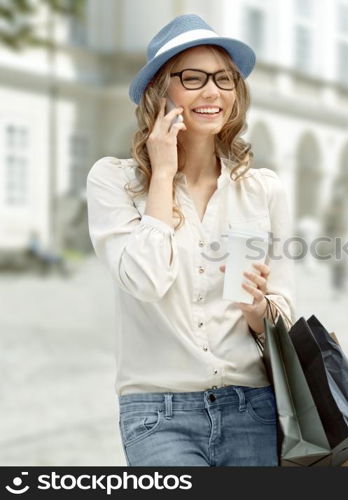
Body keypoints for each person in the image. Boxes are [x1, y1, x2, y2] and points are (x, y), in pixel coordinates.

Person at [86, 14, 295, 466]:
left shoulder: (262, 190)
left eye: (224, 79)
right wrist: (162, 174)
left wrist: (261, 310)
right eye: (193, 78)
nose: (212, 91)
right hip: (157, 414)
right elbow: (143, 281)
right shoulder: (114, 182)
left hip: (251, 408)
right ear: (160, 93)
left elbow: (284, 308)